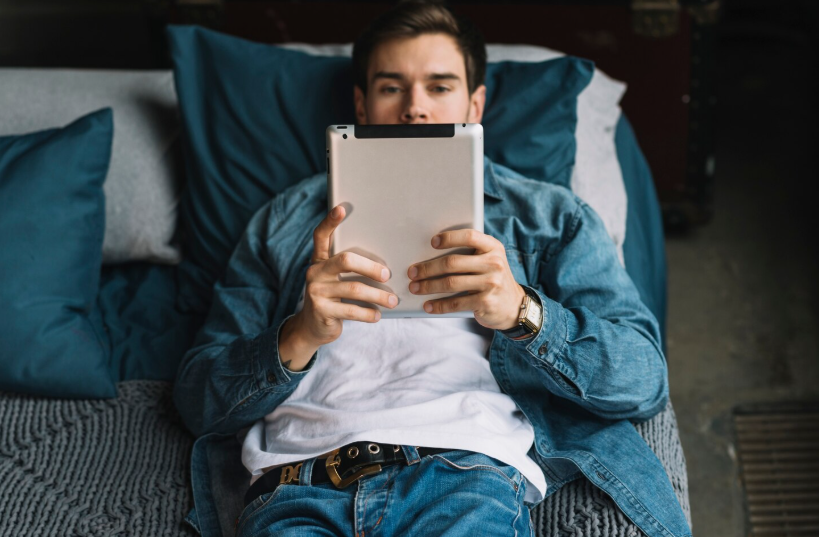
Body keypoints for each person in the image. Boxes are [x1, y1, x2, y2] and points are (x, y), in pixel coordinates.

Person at [173, 1, 690, 536]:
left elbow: (642, 378)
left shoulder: (552, 218)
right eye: (391, 87)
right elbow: (196, 397)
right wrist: (297, 335)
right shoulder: (282, 221)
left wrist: (522, 312)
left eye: (439, 87)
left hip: (465, 477)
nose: (414, 109)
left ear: (475, 103)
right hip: (298, 484)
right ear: (362, 105)